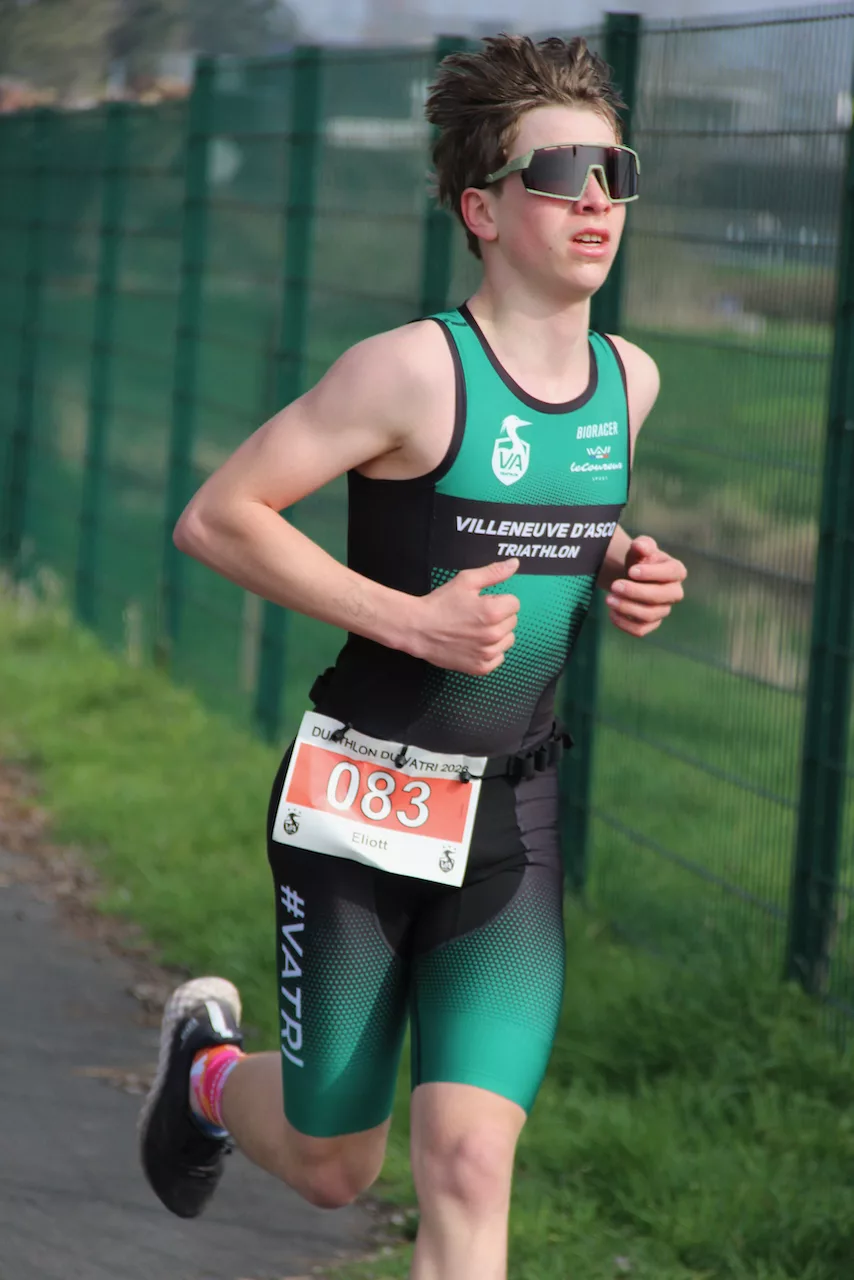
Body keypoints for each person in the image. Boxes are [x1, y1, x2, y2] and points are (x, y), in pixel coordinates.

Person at [138, 33, 686, 1280]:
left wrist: (619, 563)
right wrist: (408, 619)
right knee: (334, 1164)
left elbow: (541, 516)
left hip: (512, 816)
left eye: (614, 171)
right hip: (360, 797)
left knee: (469, 1162)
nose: (595, 200)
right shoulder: (407, 370)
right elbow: (218, 516)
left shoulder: (630, 380)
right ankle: (208, 1070)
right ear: (481, 210)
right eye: (559, 173)